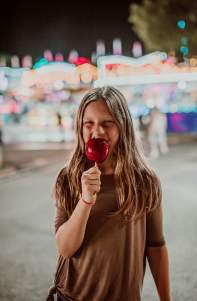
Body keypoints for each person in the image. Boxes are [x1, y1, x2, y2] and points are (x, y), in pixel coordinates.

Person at [46, 86, 171, 301]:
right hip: (73, 297)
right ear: (80, 128)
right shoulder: (68, 178)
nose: (98, 132)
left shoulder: (145, 181)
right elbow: (65, 249)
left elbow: (156, 246)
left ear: (123, 126)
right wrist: (86, 199)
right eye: (89, 124)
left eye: (107, 123)